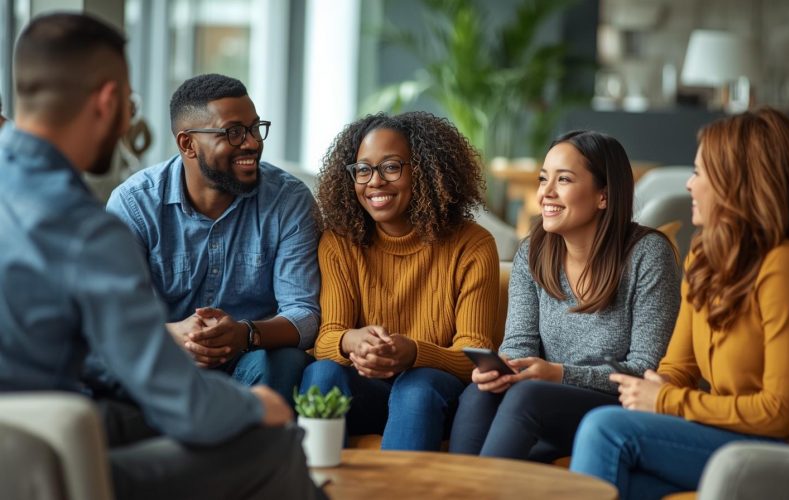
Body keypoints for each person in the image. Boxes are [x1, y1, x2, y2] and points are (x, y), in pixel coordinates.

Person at [0, 13, 321, 500]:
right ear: (108, 101)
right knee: (272, 444)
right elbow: (178, 402)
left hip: (41, 430)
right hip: (45, 460)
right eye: (130, 104)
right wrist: (257, 407)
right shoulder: (86, 228)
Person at [570, 108, 789, 500]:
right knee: (624, 478)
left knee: (604, 428)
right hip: (720, 434)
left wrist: (667, 401)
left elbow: (780, 412)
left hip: (774, 448)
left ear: (736, 182)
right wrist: (654, 389)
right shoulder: (703, 258)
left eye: (698, 172)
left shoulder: (784, 265)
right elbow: (680, 366)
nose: (689, 185)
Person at [449, 130, 681, 462]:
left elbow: (646, 371)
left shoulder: (648, 254)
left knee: (528, 396)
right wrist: (504, 369)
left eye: (564, 180)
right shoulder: (533, 252)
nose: (545, 193)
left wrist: (560, 374)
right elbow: (519, 343)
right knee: (478, 393)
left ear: (603, 196)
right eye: (544, 179)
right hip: (541, 399)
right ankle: (459, 485)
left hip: (615, 406)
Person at [94, 73, 320, 405]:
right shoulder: (134, 204)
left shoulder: (288, 200)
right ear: (188, 144)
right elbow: (112, 314)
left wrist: (245, 333)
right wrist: (176, 334)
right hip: (164, 358)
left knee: (285, 360)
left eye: (255, 128)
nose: (252, 143)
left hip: (250, 356)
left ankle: (258, 438)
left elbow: (304, 312)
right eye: (234, 132)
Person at [300, 112, 499, 451]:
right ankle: (314, 478)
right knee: (321, 374)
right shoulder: (339, 243)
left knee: (416, 385)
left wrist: (414, 353)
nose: (375, 181)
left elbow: (473, 353)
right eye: (363, 169)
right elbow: (327, 338)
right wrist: (353, 341)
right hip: (367, 392)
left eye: (391, 167)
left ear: (425, 171)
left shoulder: (472, 245)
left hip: (433, 396)